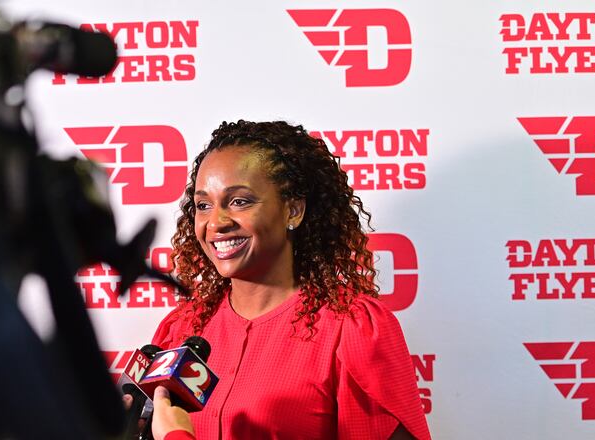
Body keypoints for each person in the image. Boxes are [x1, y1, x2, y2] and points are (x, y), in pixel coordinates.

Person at [146, 120, 430, 440]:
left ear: (293, 210)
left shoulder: (351, 328)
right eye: (203, 205)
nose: (216, 222)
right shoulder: (182, 328)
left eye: (239, 201)